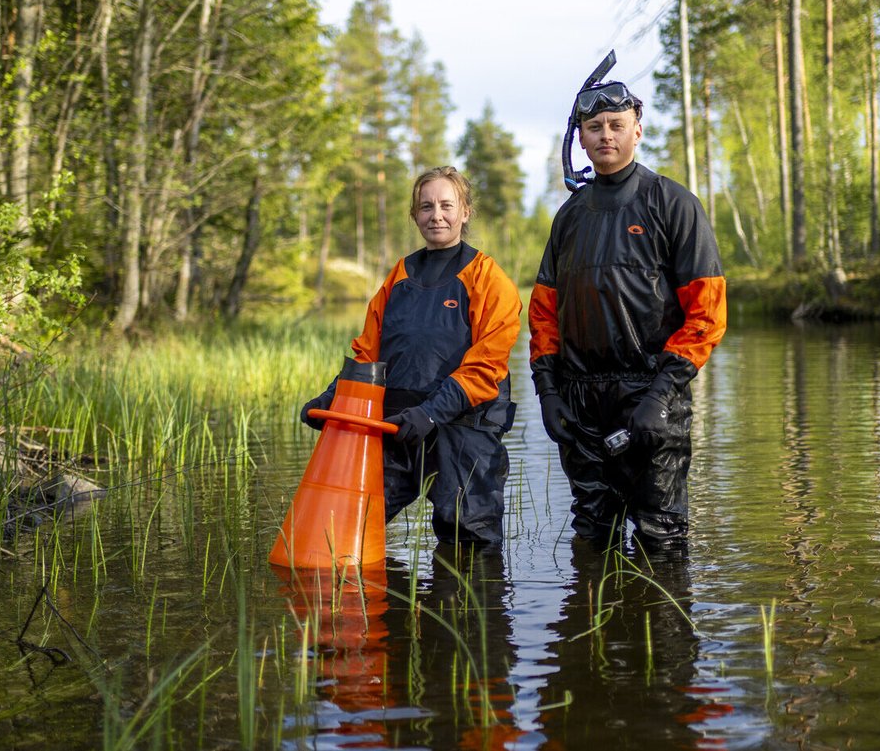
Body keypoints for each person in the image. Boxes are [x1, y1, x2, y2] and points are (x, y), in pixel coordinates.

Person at [529, 80, 727, 546]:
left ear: (638, 130)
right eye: (594, 127)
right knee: (592, 535)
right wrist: (548, 393)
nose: (605, 135)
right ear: (580, 138)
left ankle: (660, 618)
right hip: (580, 403)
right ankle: (590, 617)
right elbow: (543, 315)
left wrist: (661, 394)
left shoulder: (673, 204)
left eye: (617, 125)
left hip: (651, 398)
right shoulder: (570, 216)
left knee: (662, 538)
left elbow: (707, 312)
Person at [301, 166, 521, 545]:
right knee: (349, 526)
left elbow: (486, 368)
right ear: (415, 215)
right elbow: (368, 351)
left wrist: (432, 412)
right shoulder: (399, 274)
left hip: (464, 428)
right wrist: (331, 398)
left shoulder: (489, 278)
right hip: (399, 424)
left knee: (468, 539)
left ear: (465, 212)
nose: (436, 214)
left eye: (447, 205)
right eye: (426, 206)